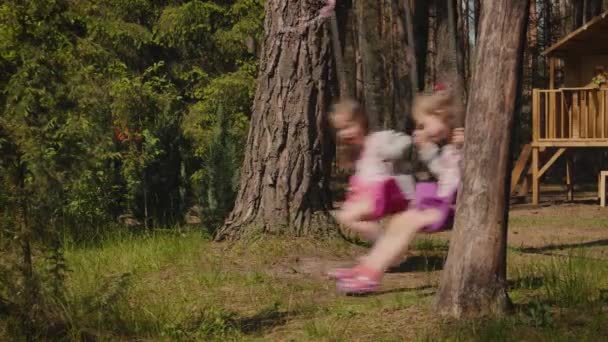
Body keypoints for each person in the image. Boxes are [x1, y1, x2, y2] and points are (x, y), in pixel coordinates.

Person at [335, 88, 465, 294]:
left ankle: (370, 276)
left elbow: (460, 176)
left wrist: (460, 148)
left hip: (454, 206)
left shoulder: (461, 143)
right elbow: (445, 171)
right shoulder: (450, 147)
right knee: (398, 222)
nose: (420, 129)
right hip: (442, 202)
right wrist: (428, 150)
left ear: (440, 115)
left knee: (406, 223)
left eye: (424, 123)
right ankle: (368, 267)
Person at [328, 99, 416, 277]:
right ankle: (390, 252)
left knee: (347, 215)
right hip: (372, 194)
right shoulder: (357, 151)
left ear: (361, 120)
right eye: (340, 129)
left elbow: (405, 140)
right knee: (352, 217)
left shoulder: (377, 139)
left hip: (385, 191)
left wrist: (393, 152)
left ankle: (387, 252)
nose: (345, 133)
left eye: (348, 126)